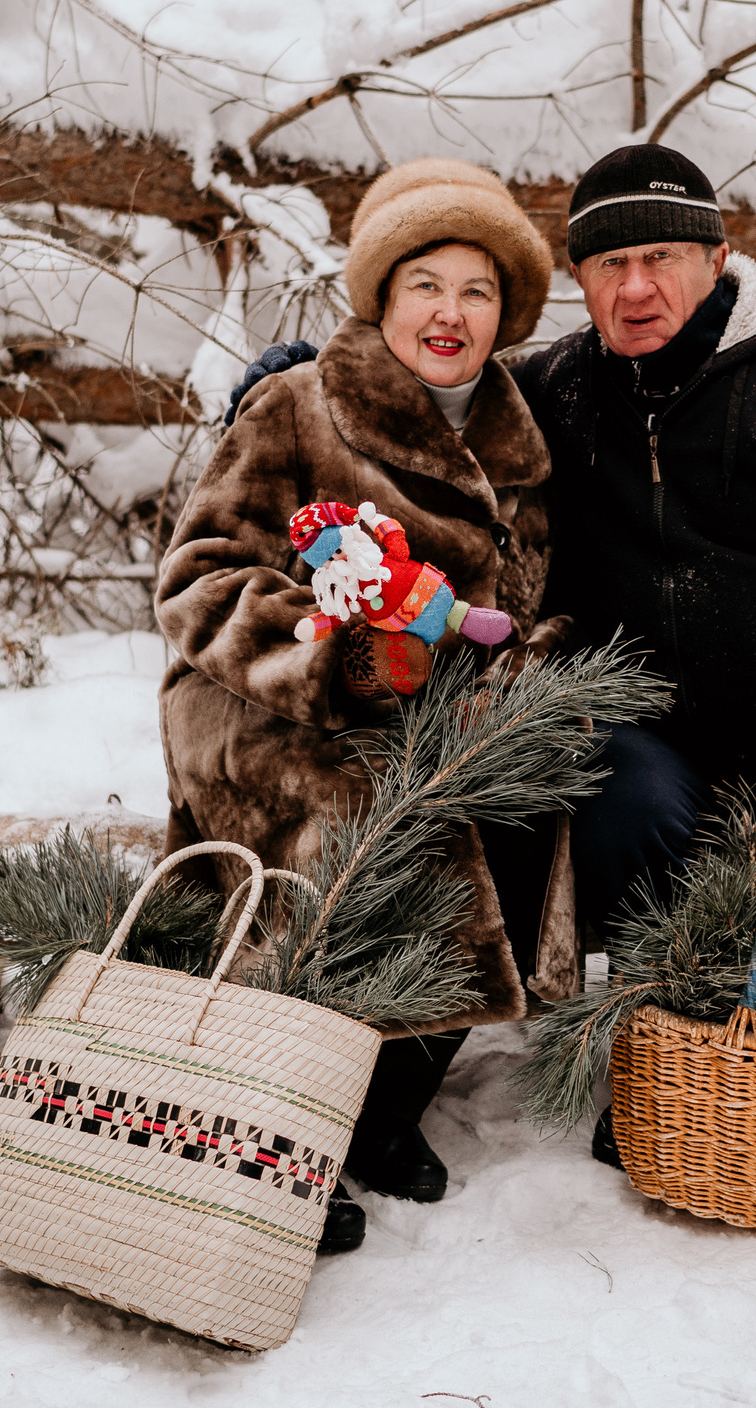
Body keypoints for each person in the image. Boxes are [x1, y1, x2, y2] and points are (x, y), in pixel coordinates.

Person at [228, 143, 756, 1170]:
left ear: (718, 259)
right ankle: (660, 1067)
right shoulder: (560, 393)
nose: (636, 288)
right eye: (609, 265)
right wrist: (312, 380)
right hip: (656, 735)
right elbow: (439, 383)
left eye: (661, 257)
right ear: (578, 280)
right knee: (620, 796)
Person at [154, 157, 574, 1256]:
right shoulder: (298, 405)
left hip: (440, 710)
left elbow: (524, 609)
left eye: (476, 291)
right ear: (383, 294)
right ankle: (286, 1125)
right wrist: (340, 659)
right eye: (425, 283)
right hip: (273, 705)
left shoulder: (519, 447)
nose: (449, 313)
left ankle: (382, 1102)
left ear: (504, 314)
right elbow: (198, 579)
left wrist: (524, 681)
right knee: (363, 803)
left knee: (523, 799)